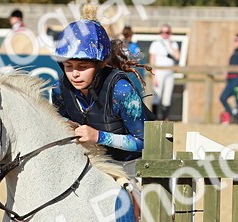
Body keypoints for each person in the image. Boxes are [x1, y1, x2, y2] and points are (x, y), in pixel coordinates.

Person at [50, 12, 147, 172]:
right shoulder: (59, 89)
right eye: (68, 66)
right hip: (89, 165)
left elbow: (144, 142)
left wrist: (99, 136)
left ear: (102, 64)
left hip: (131, 166)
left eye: (82, 67)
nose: (74, 74)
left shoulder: (122, 91)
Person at [147, 24, 180, 120]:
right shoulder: (155, 44)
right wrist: (153, 75)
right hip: (159, 72)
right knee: (157, 95)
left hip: (169, 72)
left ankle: (166, 118)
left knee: (167, 96)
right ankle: (155, 117)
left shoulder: (173, 44)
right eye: (163, 32)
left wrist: (169, 44)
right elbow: (152, 60)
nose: (165, 34)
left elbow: (177, 56)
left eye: (167, 32)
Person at [219, 32, 238, 123]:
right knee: (223, 98)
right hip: (231, 80)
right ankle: (234, 115)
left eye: (237, 40)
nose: (235, 42)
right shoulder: (236, 52)